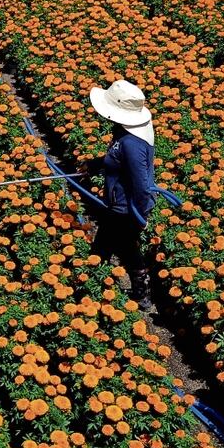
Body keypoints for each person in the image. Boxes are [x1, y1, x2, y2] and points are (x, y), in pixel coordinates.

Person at [85, 79, 156, 310]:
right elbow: (116, 160)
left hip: (125, 207)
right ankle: (135, 291)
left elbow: (142, 185)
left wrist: (140, 216)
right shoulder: (124, 131)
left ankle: (94, 287)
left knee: (112, 246)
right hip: (118, 202)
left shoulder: (133, 143)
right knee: (123, 245)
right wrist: (95, 164)